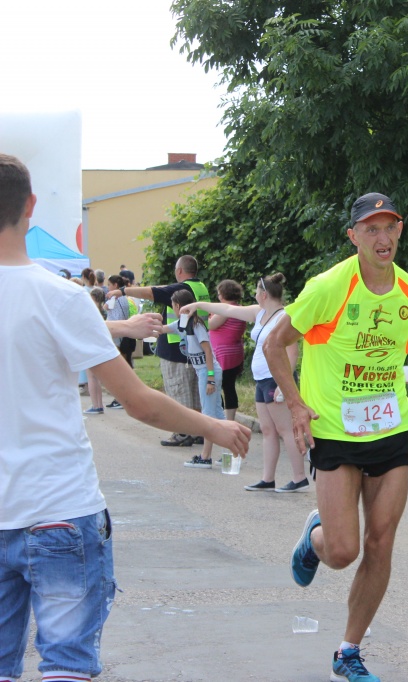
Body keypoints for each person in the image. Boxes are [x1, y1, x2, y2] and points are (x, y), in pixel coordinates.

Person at [0, 153, 251, 682]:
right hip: (58, 509)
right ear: (30, 206)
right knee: (65, 667)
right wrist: (214, 426)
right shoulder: (61, 298)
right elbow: (137, 400)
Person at [265, 192, 408, 682]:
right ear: (354, 236)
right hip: (335, 430)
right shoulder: (329, 287)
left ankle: (348, 651)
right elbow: (274, 343)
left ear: (400, 231)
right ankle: (315, 538)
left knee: (381, 542)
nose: (382, 238)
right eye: (371, 229)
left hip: (390, 428)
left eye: (389, 227)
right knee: (342, 551)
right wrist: (296, 405)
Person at [179, 273, 307, 492]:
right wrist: (197, 305)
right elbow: (227, 310)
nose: (254, 295)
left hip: (276, 379)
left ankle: (299, 478)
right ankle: (268, 478)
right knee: (267, 430)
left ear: (264, 294)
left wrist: (283, 384)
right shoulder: (259, 312)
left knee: (285, 429)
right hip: (261, 379)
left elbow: (292, 352)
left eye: (257, 291)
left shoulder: (284, 317)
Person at [108, 254, 210, 446]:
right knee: (194, 392)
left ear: (179, 270)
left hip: (176, 347)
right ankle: (198, 430)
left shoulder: (179, 289)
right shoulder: (199, 287)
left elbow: (151, 292)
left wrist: (122, 291)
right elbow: (164, 288)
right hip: (194, 348)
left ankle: (183, 432)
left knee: (179, 390)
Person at [162, 289, 225, 468]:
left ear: (178, 306)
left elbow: (208, 351)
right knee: (217, 413)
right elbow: (164, 329)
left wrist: (210, 379)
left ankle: (205, 457)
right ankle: (232, 452)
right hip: (202, 372)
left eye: (173, 305)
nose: (173, 308)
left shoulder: (196, 325)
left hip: (208, 371)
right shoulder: (182, 323)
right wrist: (147, 326)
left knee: (208, 415)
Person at [207, 279, 247, 424]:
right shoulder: (239, 308)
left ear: (224, 294)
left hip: (223, 355)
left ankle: (222, 420)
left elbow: (210, 325)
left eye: (219, 293)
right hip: (235, 353)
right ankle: (230, 420)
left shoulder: (226, 310)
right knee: (229, 387)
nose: (218, 296)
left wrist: (208, 315)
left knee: (218, 387)